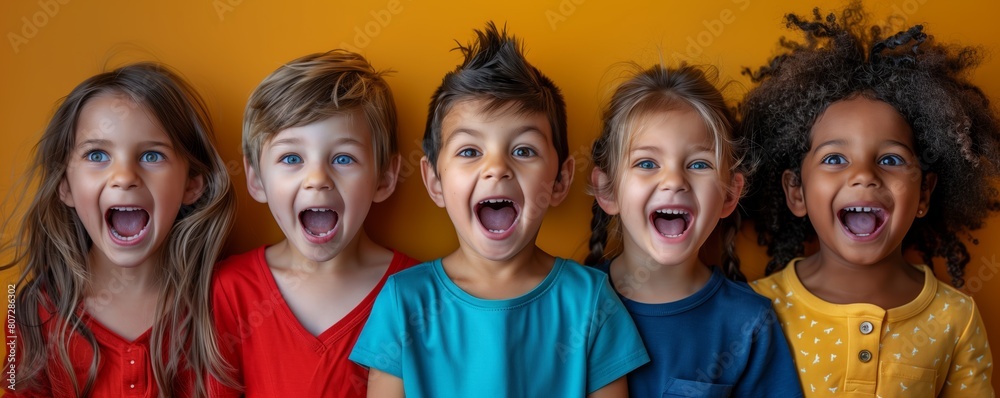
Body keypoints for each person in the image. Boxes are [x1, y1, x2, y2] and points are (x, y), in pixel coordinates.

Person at [349, 22, 649, 397]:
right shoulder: (403, 300)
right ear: (434, 181)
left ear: (560, 179)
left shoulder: (591, 301)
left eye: (523, 150)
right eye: (470, 151)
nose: (497, 167)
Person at [742, 3, 1000, 396]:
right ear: (796, 191)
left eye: (891, 159)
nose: (863, 175)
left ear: (923, 194)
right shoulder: (754, 309)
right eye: (834, 158)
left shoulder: (956, 317)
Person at [2, 62, 236, 397]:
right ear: (65, 185)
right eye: (97, 154)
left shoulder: (227, 302)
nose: (125, 176)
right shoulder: (26, 310)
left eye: (152, 156)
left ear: (192, 183)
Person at [585, 63, 802, 397]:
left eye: (699, 164)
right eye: (647, 163)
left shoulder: (749, 322)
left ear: (730, 194)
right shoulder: (573, 306)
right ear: (608, 190)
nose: (674, 181)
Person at [209, 49, 417, 398]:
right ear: (257, 180)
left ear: (384, 178)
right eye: (292, 158)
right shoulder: (228, 292)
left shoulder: (420, 295)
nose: (317, 179)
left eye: (343, 158)